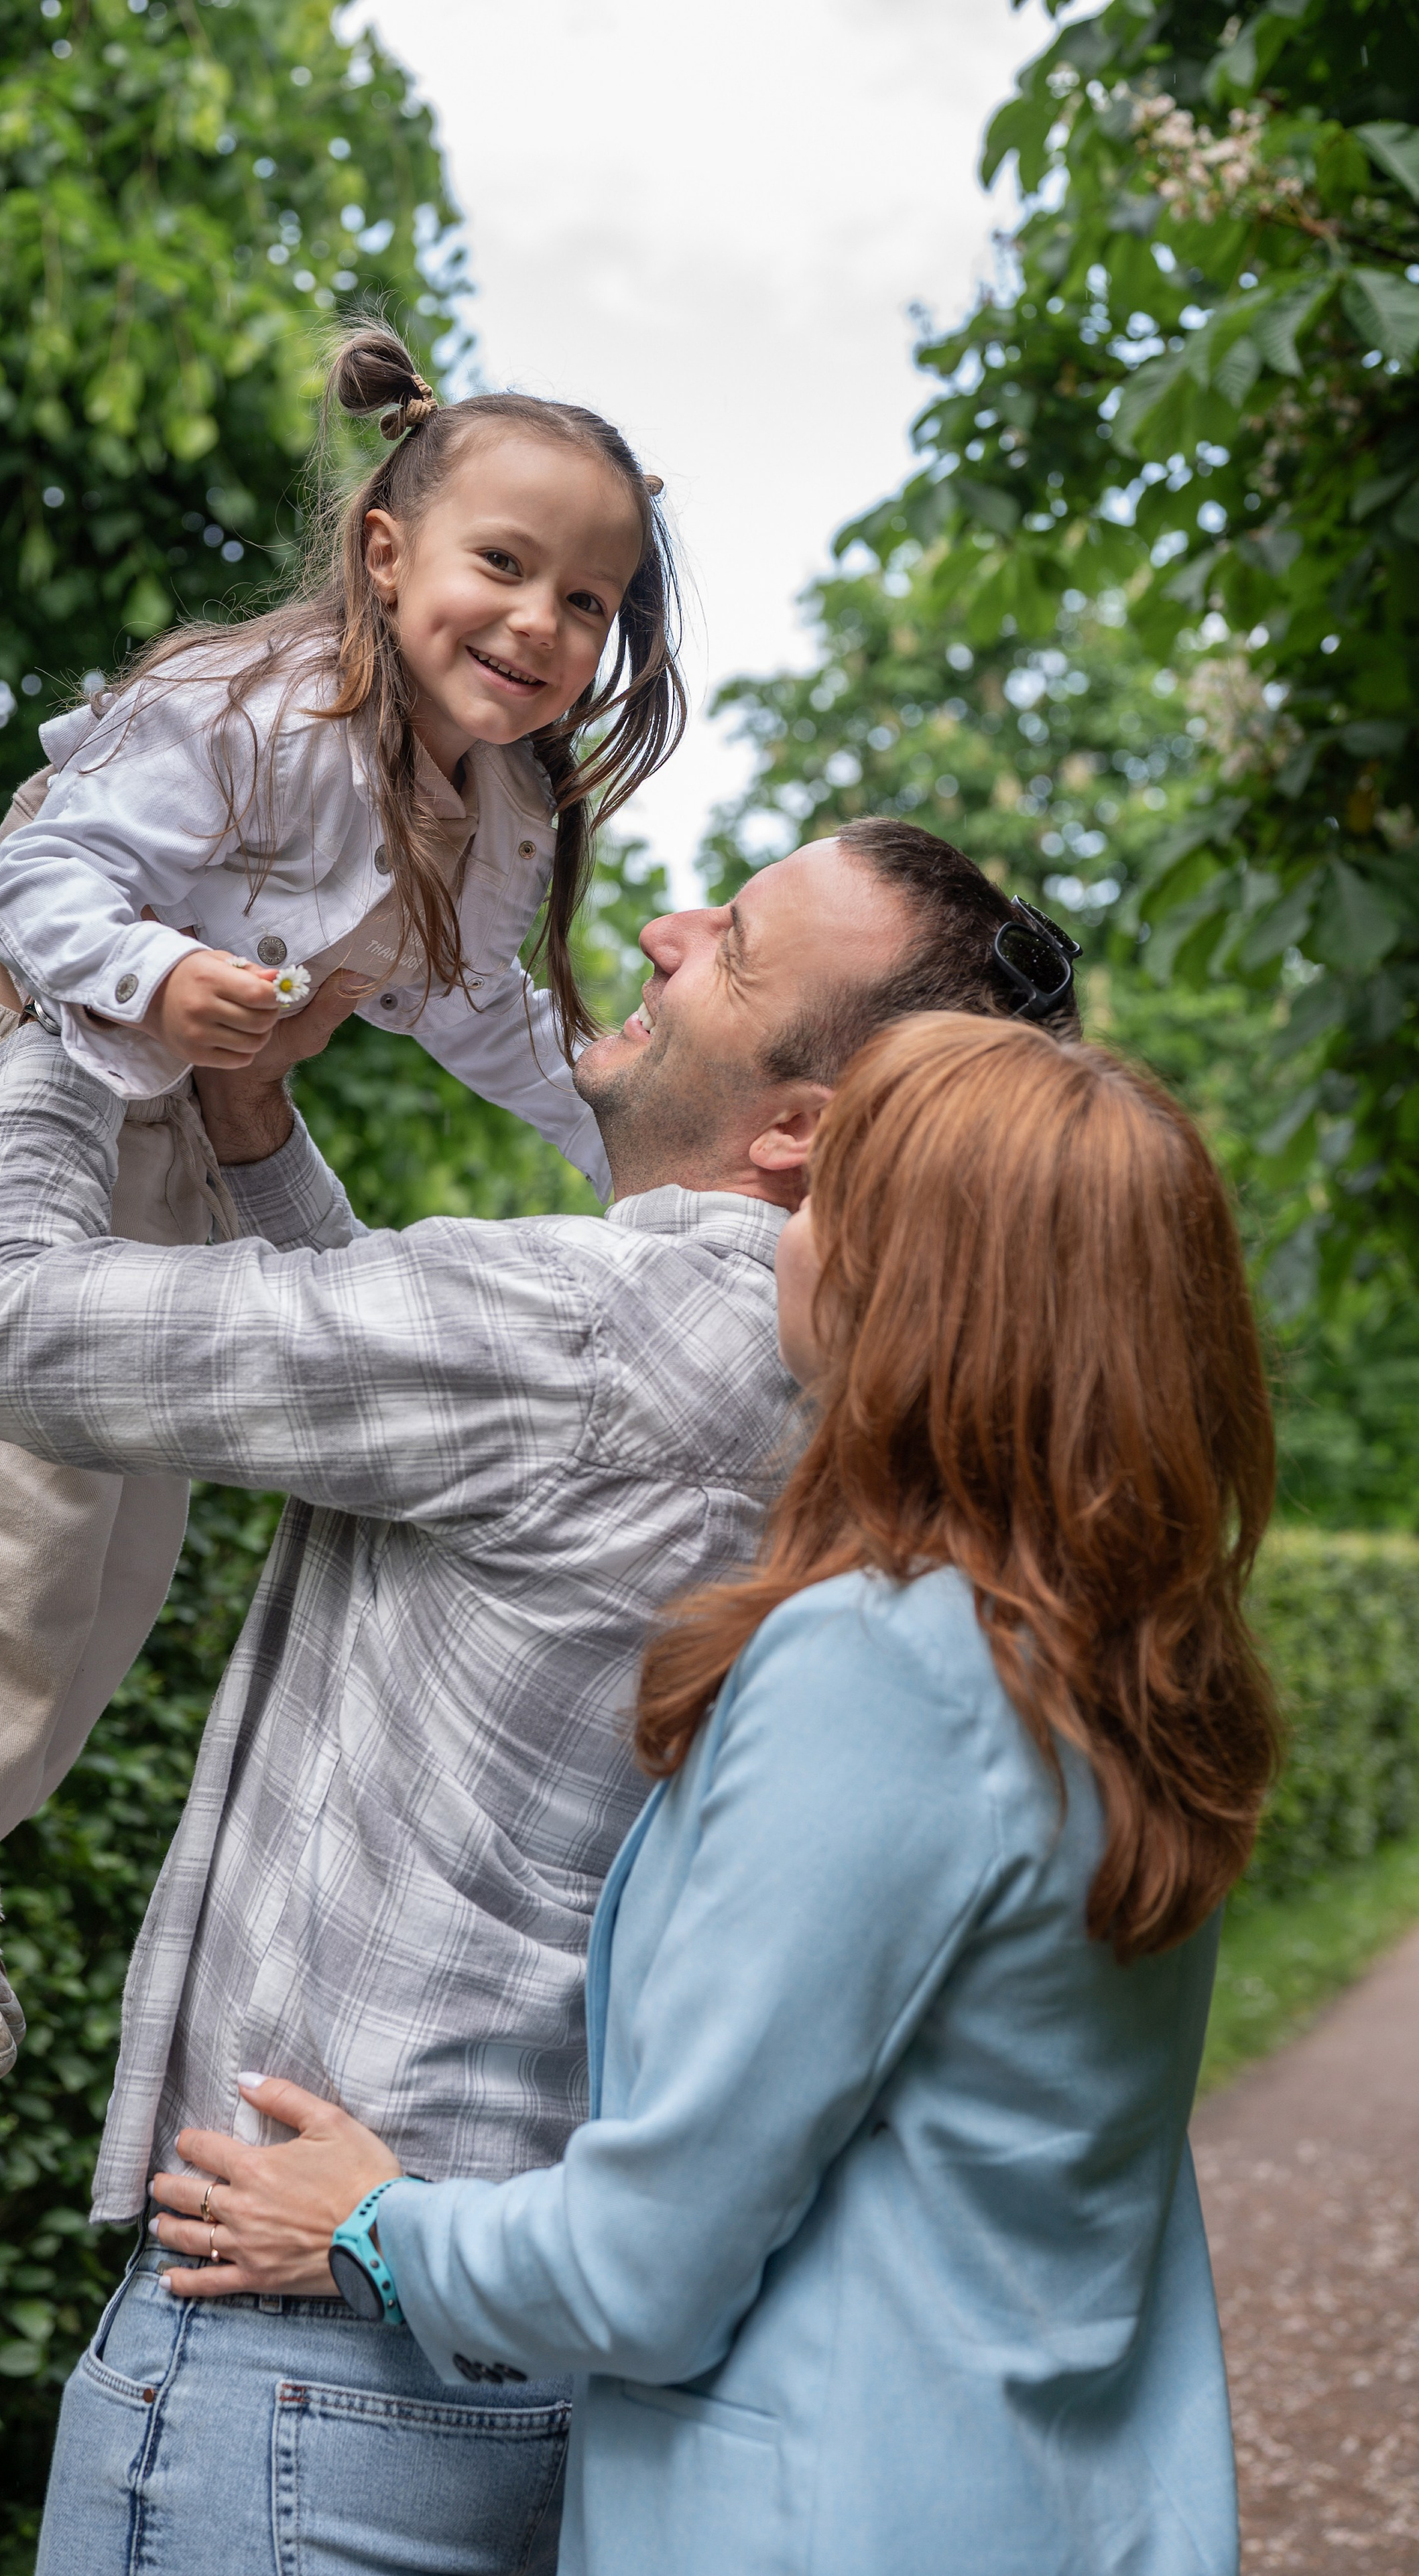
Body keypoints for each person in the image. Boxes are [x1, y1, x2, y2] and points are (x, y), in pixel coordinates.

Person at [0, 820, 1084, 2573]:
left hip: (294, 2343)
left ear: (800, 1131)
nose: (665, 930)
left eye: (735, 947)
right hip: (508, 2333)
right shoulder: (848, 1385)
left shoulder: (586, 1327)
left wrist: (86, 1002)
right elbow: (448, 1430)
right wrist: (251, 1128)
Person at [152, 1009, 1280, 2576]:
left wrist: (368, 2221)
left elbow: (646, 2266)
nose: (783, 1236)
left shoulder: (884, 1667)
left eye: (827, 1206)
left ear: (920, 1290)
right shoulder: (1129, 1667)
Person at [0, 323, 682, 2086]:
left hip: (184, 1151)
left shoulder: (496, 811)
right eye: (507, 565)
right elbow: (39, 864)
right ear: (384, 550)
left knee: (119, 1558)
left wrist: (640, 1156)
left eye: (591, 603)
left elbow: (488, 1015)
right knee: (17, 1519)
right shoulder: (250, 709)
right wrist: (152, 970)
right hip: (22, 1097)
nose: (544, 628)